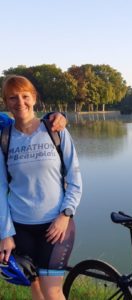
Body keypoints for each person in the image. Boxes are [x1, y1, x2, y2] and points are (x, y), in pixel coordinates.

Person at [0, 75, 82, 300]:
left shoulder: (54, 130)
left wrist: (66, 214)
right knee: (35, 289)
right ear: (5, 102)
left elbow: (75, 178)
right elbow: (0, 189)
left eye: (25, 96)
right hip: (20, 228)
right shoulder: (4, 137)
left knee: (53, 293)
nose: (20, 102)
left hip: (55, 226)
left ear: (34, 98)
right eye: (12, 97)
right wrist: (5, 234)